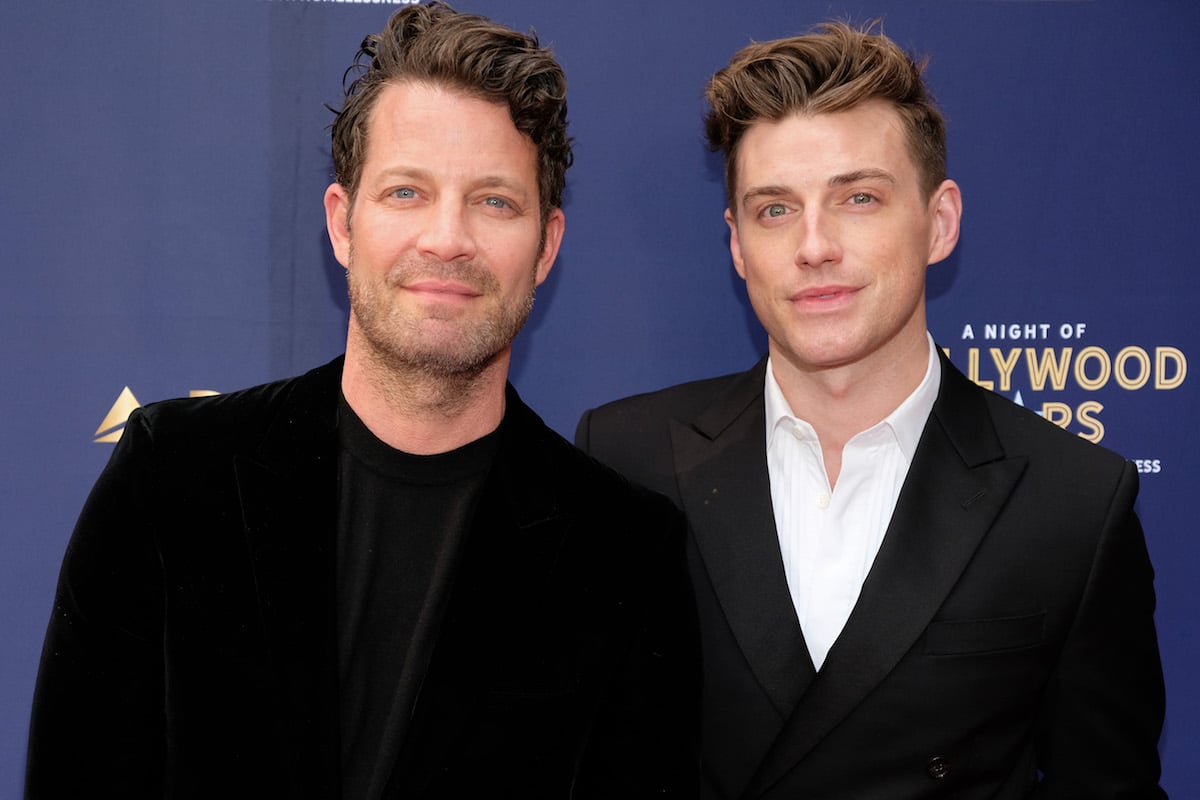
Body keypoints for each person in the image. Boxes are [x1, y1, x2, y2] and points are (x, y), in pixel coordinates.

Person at [25, 4, 699, 798]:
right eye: (408, 191)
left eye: (494, 201)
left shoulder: (623, 553)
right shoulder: (172, 477)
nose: (447, 238)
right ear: (343, 225)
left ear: (546, 245)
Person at [576, 21, 1166, 799]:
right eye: (775, 209)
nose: (814, 246)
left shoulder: (1073, 501)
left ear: (939, 221)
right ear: (737, 246)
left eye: (857, 198)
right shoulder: (628, 457)